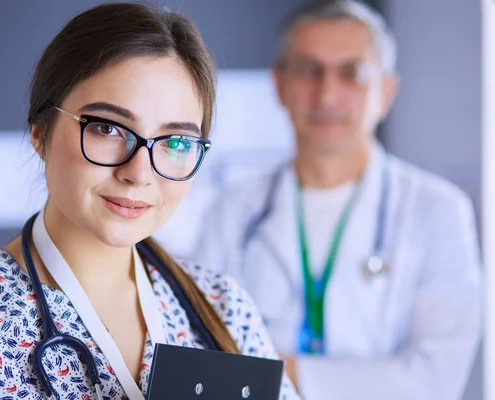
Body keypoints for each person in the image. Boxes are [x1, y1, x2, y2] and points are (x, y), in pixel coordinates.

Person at [0, 3, 299, 399]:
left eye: (176, 141)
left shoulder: (223, 310)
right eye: (107, 128)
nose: (139, 173)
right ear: (41, 133)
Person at [193, 1, 481, 399]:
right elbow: (202, 346)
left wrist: (281, 371)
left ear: (386, 91)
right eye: (309, 71)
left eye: (352, 73)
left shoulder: (437, 210)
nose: (327, 93)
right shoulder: (235, 209)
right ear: (278, 85)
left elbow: (435, 379)